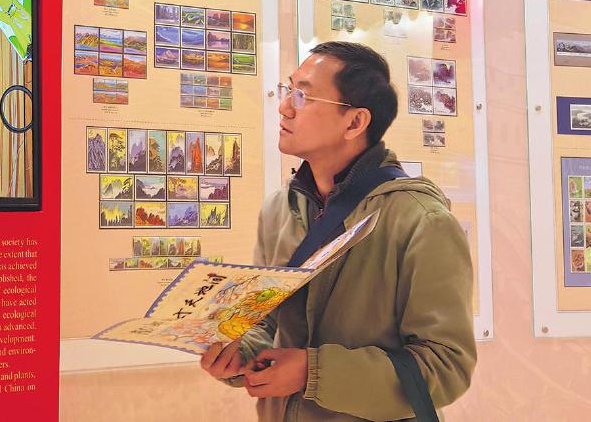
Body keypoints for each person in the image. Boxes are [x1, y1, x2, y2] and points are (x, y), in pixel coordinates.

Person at [200, 41, 475, 420]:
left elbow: (446, 368)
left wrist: (312, 373)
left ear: (355, 122)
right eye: (287, 90)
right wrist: (240, 352)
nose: (284, 107)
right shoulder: (279, 209)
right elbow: (267, 320)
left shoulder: (421, 220)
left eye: (303, 96)